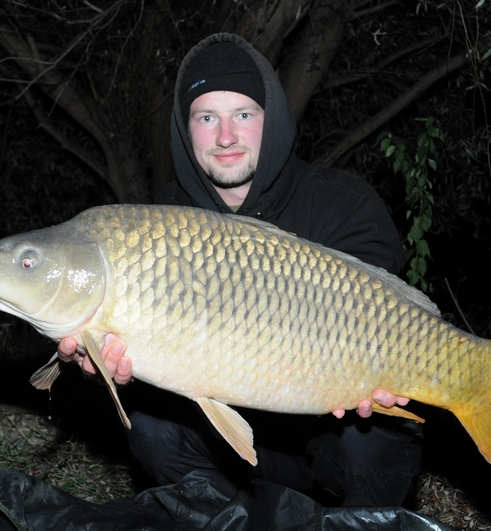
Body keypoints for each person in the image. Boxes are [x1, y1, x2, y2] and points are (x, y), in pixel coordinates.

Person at [58, 33, 422, 508]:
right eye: (206, 117)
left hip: (333, 440)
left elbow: (386, 318)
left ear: (271, 120)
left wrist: (375, 375)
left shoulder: (342, 205)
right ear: (185, 129)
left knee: (371, 437)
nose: (225, 136)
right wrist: (99, 361)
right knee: (151, 428)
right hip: (230, 448)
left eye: (243, 115)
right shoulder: (159, 223)